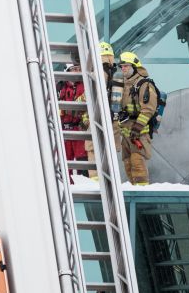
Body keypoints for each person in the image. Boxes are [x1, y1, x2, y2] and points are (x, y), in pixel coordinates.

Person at [117, 51, 158, 186]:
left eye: (126, 66)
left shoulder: (144, 84)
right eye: (122, 66)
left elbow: (148, 109)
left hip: (139, 133)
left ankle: (142, 192)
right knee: (128, 164)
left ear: (134, 67)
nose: (123, 68)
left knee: (137, 162)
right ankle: (134, 190)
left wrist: (137, 128)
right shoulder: (124, 85)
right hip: (126, 133)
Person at [85, 41, 122, 180]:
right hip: (113, 118)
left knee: (93, 148)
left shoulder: (99, 72)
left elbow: (92, 94)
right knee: (109, 152)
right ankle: (109, 179)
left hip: (99, 115)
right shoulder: (116, 73)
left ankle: (96, 181)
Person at [58, 63, 88, 178]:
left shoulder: (84, 86)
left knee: (82, 160)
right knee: (65, 161)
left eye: (78, 69)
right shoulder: (60, 87)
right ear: (68, 71)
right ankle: (66, 184)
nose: (77, 71)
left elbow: (85, 106)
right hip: (64, 129)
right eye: (74, 69)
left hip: (79, 127)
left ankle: (86, 183)